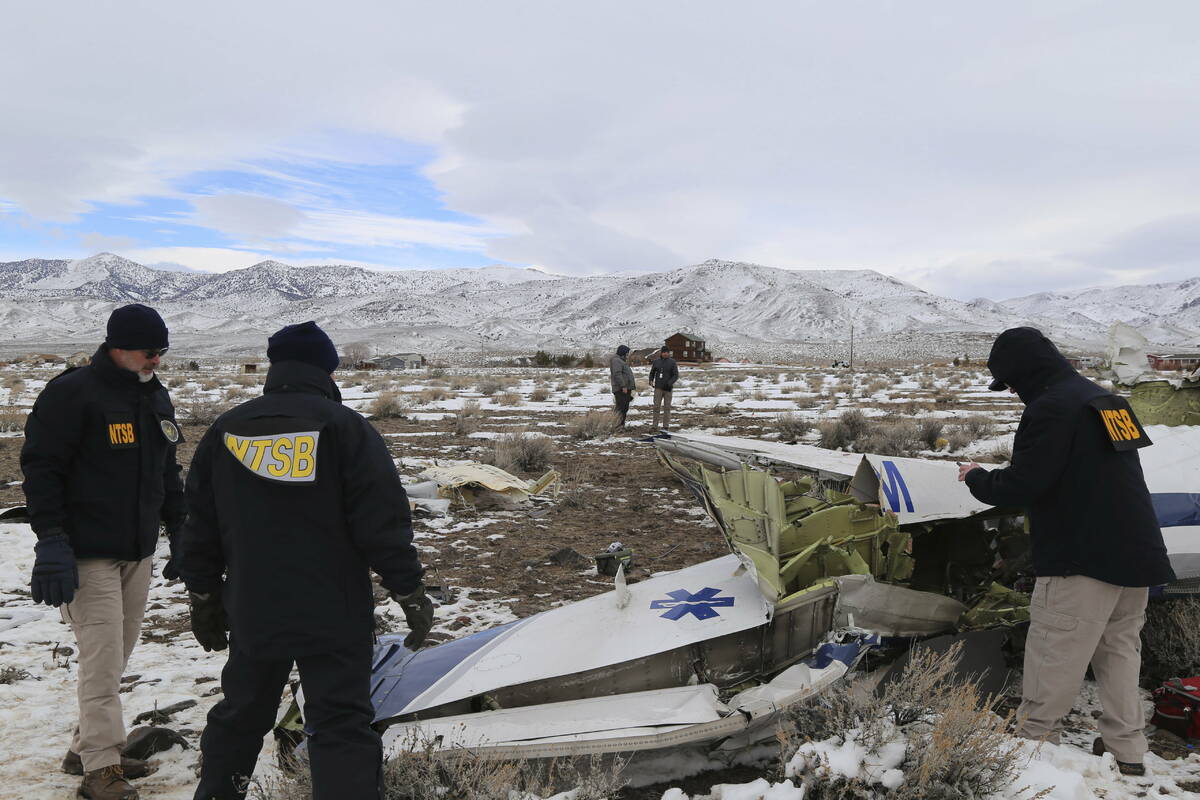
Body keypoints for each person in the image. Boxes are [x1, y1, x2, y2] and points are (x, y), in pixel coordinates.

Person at [179, 321, 431, 800]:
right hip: (333, 609)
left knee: (241, 717)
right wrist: (409, 589)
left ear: (276, 368)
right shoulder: (346, 429)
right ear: (326, 370)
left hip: (254, 607)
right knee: (340, 725)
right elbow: (382, 523)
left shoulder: (226, 429)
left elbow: (200, 526)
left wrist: (204, 595)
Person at [957, 327, 1174, 776]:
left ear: (1023, 371)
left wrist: (977, 475)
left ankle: (1032, 756)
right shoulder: (1105, 399)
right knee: (1119, 651)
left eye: (1010, 381)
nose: (1012, 390)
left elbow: (1023, 484)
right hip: (1135, 553)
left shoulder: (1050, 407)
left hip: (1081, 557)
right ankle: (1128, 750)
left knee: (1053, 652)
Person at [22, 303, 185, 800]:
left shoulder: (154, 398)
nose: (156, 359)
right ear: (117, 346)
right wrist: (50, 539)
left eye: (161, 351)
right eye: (147, 351)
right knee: (101, 660)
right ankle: (100, 772)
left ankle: (85, 750)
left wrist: (182, 535)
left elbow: (167, 474)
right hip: (86, 553)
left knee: (115, 658)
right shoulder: (73, 394)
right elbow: (42, 468)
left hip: (136, 551)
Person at [648, 345, 679, 431]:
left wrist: (669, 383)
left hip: (668, 389)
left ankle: (665, 426)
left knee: (667, 408)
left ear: (668, 353)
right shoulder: (656, 362)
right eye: (664, 352)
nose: (665, 354)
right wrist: (650, 380)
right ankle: (654, 426)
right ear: (661, 353)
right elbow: (652, 372)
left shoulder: (672, 362)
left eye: (667, 352)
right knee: (656, 407)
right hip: (658, 388)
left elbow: (676, 375)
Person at [609, 344, 636, 428]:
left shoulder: (620, 360)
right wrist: (623, 386)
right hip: (621, 389)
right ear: (623, 353)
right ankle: (617, 425)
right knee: (621, 408)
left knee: (624, 407)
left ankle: (620, 424)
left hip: (625, 388)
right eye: (627, 353)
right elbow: (617, 374)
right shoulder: (616, 360)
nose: (627, 355)